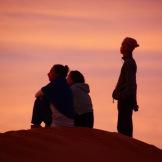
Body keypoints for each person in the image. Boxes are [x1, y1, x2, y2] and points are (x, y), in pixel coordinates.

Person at [112, 37, 139, 137]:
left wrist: (122, 95)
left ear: (127, 47)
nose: (121, 47)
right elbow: (133, 84)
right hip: (127, 100)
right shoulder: (129, 62)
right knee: (124, 126)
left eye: (123, 45)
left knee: (124, 128)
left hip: (125, 101)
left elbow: (131, 84)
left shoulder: (129, 63)